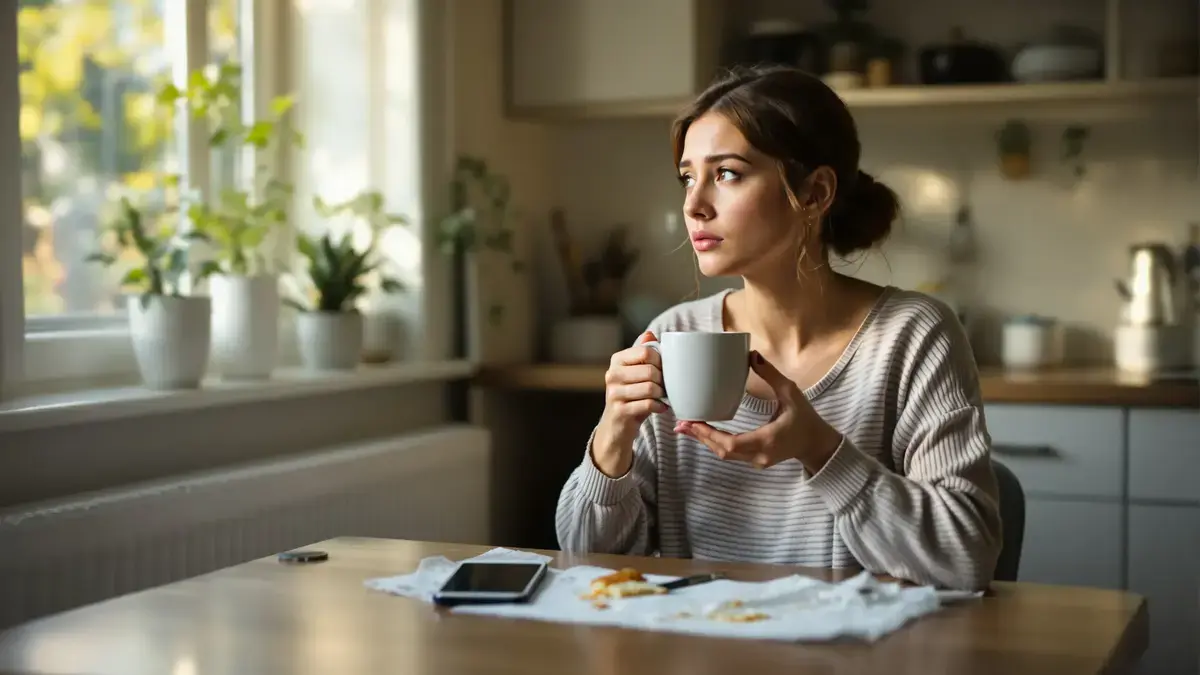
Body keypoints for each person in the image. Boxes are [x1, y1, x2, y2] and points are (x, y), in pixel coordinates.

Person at [554, 65, 1002, 592]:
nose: (693, 206)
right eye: (687, 177)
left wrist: (821, 450)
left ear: (813, 193)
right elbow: (583, 561)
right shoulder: (671, 335)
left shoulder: (911, 337)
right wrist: (613, 437)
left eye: (726, 174)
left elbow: (967, 555)